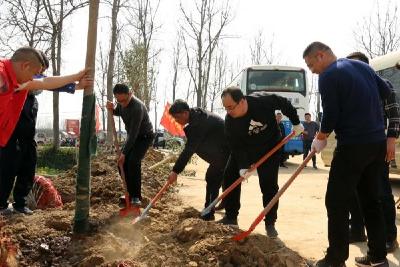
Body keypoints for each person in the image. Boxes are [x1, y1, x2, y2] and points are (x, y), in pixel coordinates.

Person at [303, 42, 390, 267]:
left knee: (336, 201)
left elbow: (330, 114)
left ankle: (335, 259)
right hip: (376, 143)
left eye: (312, 65)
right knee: (371, 201)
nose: (313, 71)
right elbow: (387, 91)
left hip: (353, 145)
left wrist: (320, 137)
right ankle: (379, 257)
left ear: (321, 55)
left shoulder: (329, 75)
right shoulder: (362, 67)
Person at [0, 47, 91, 215]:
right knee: (7, 167)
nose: (35, 79)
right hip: (9, 138)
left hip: (18, 135)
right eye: (35, 73)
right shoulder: (3, 75)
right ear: (25, 66)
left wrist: (75, 79)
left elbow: (45, 82)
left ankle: (20, 202)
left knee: (27, 164)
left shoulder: (21, 81)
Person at [219, 87, 303, 237]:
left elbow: (284, 103)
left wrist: (296, 123)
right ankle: (231, 217)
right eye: (225, 108)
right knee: (229, 176)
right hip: (246, 149)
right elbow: (235, 146)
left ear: (242, 101)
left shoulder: (262, 100)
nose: (228, 111)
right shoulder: (230, 121)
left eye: (230, 107)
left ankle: (270, 223)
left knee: (269, 185)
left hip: (270, 147)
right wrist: (243, 167)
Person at [346, 51, 399, 253]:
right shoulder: (349, 88)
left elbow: (394, 114)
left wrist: (391, 140)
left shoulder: (382, 84)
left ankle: (389, 237)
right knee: (354, 191)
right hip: (353, 147)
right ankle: (358, 230)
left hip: (376, 146)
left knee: (381, 191)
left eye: (356, 66)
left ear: (367, 68)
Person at [167, 99, 230, 221]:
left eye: (177, 117)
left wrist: (175, 171)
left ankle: (209, 213)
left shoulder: (198, 124)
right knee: (213, 178)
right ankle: (213, 208)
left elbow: (189, 150)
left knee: (213, 179)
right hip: (220, 152)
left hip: (226, 152)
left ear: (185, 113)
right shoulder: (196, 115)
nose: (176, 120)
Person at [106, 84, 154, 206]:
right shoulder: (122, 104)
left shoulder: (137, 107)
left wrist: (124, 153)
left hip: (144, 137)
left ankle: (136, 197)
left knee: (133, 162)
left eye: (124, 100)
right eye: (119, 101)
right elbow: (119, 111)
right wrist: (112, 108)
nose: (122, 103)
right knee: (121, 164)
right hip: (133, 137)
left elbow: (133, 134)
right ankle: (129, 192)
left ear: (130, 94)